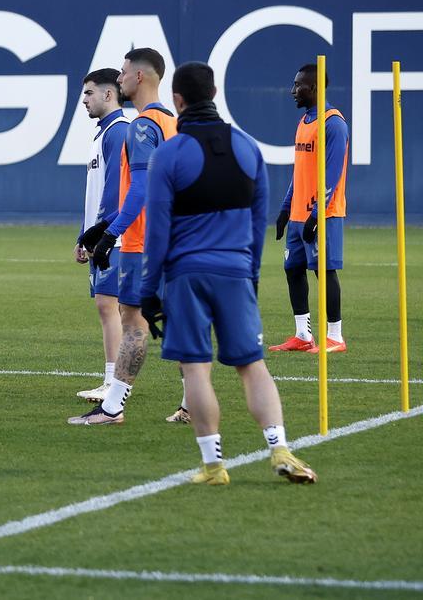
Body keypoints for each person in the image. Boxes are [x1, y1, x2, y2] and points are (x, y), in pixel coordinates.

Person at [140, 61, 316, 485]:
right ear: (215, 94)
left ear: (177, 101)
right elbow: (258, 226)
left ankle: (214, 465)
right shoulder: (247, 148)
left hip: (186, 275)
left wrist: (149, 290)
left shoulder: (169, 154)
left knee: (196, 369)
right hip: (237, 272)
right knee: (253, 366)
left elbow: (157, 231)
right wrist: (249, 276)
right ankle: (281, 449)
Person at [72, 48, 185, 425]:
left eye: (122, 74)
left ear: (139, 77)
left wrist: (110, 233)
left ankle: (113, 406)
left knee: (132, 320)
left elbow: (139, 187)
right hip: (172, 237)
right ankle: (189, 403)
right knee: (175, 321)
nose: (119, 80)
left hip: (140, 241)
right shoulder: (173, 123)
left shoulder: (139, 126)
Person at [268, 64, 350, 354]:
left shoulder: (334, 123)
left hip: (323, 215)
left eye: (297, 85)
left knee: (324, 272)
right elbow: (299, 171)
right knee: (292, 269)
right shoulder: (305, 121)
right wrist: (285, 209)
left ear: (313, 88)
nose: (292, 91)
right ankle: (303, 335)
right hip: (298, 215)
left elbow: (332, 173)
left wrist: (317, 214)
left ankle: (336, 337)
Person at [73, 69, 127, 404]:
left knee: (110, 306)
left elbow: (117, 191)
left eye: (89, 93)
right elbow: (96, 193)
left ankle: (115, 383)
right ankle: (113, 381)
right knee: (108, 307)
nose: (84, 100)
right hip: (102, 235)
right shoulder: (103, 133)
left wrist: (100, 234)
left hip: (115, 238)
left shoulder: (118, 132)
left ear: (109, 94)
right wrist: (84, 236)